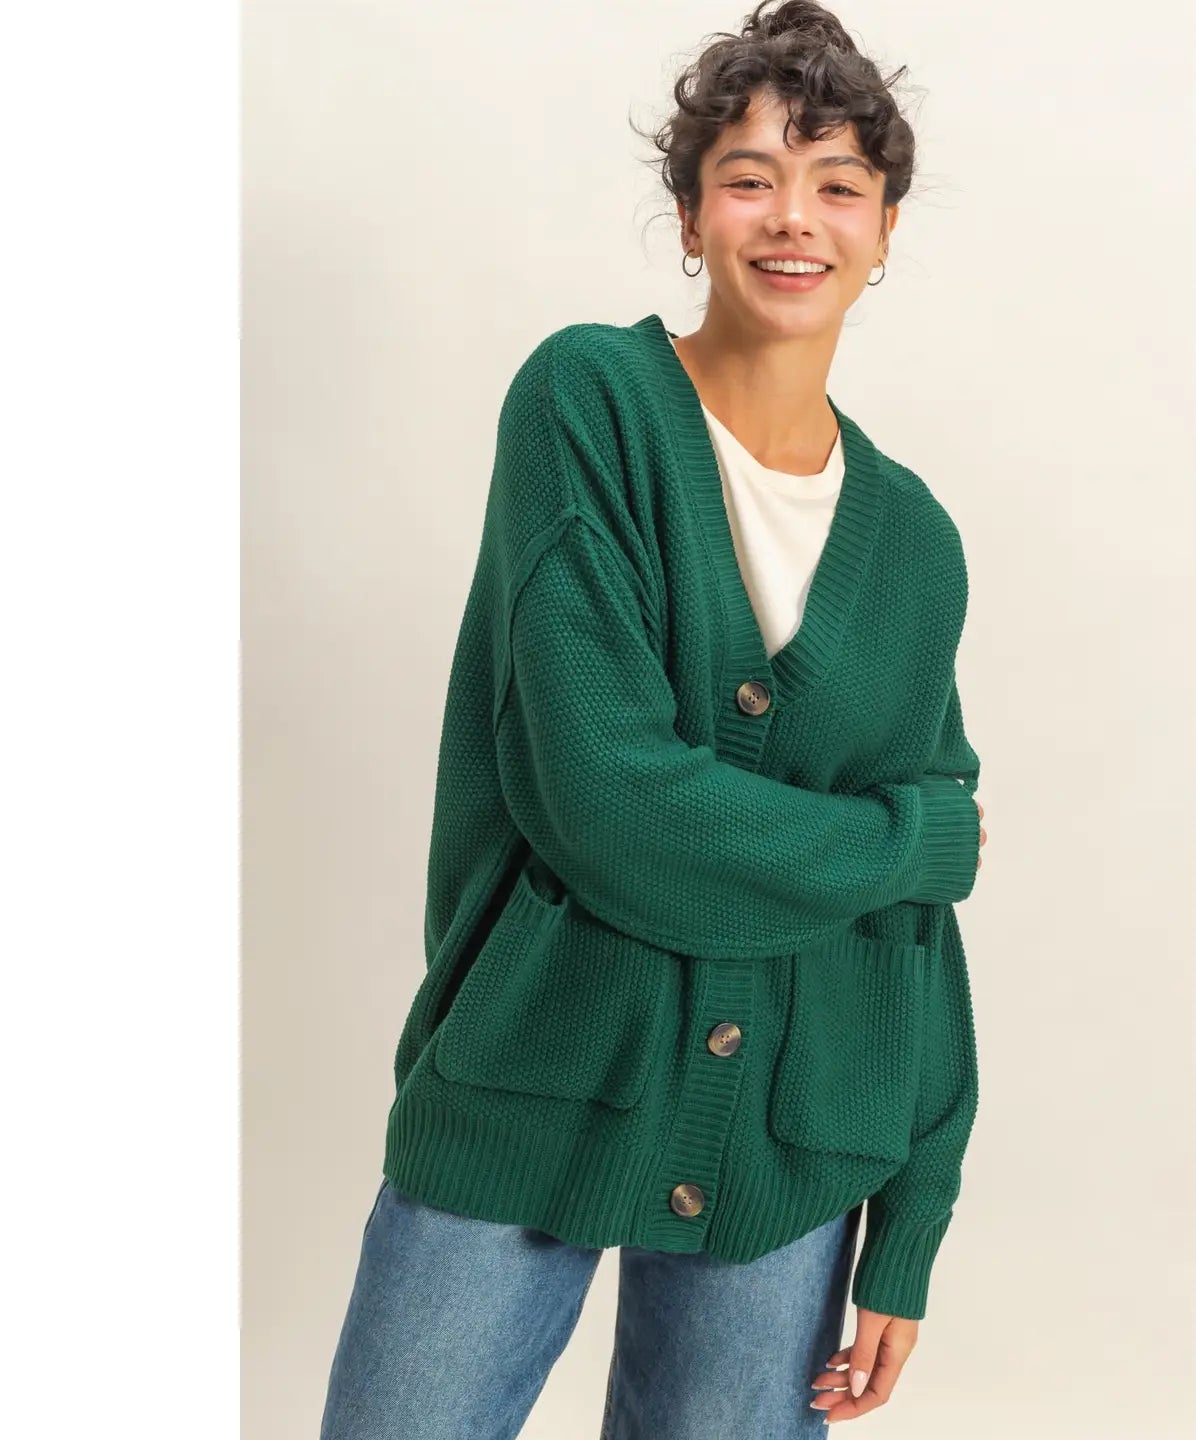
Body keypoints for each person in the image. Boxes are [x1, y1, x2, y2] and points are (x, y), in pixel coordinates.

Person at [319, 3, 988, 1435]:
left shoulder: (915, 543)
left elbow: (913, 936)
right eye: (750, 178)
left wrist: (915, 1218)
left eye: (838, 185)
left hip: (796, 1146)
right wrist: (905, 836)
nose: (792, 217)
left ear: (883, 232)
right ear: (690, 217)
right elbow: (613, 803)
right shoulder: (591, 403)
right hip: (534, 1084)